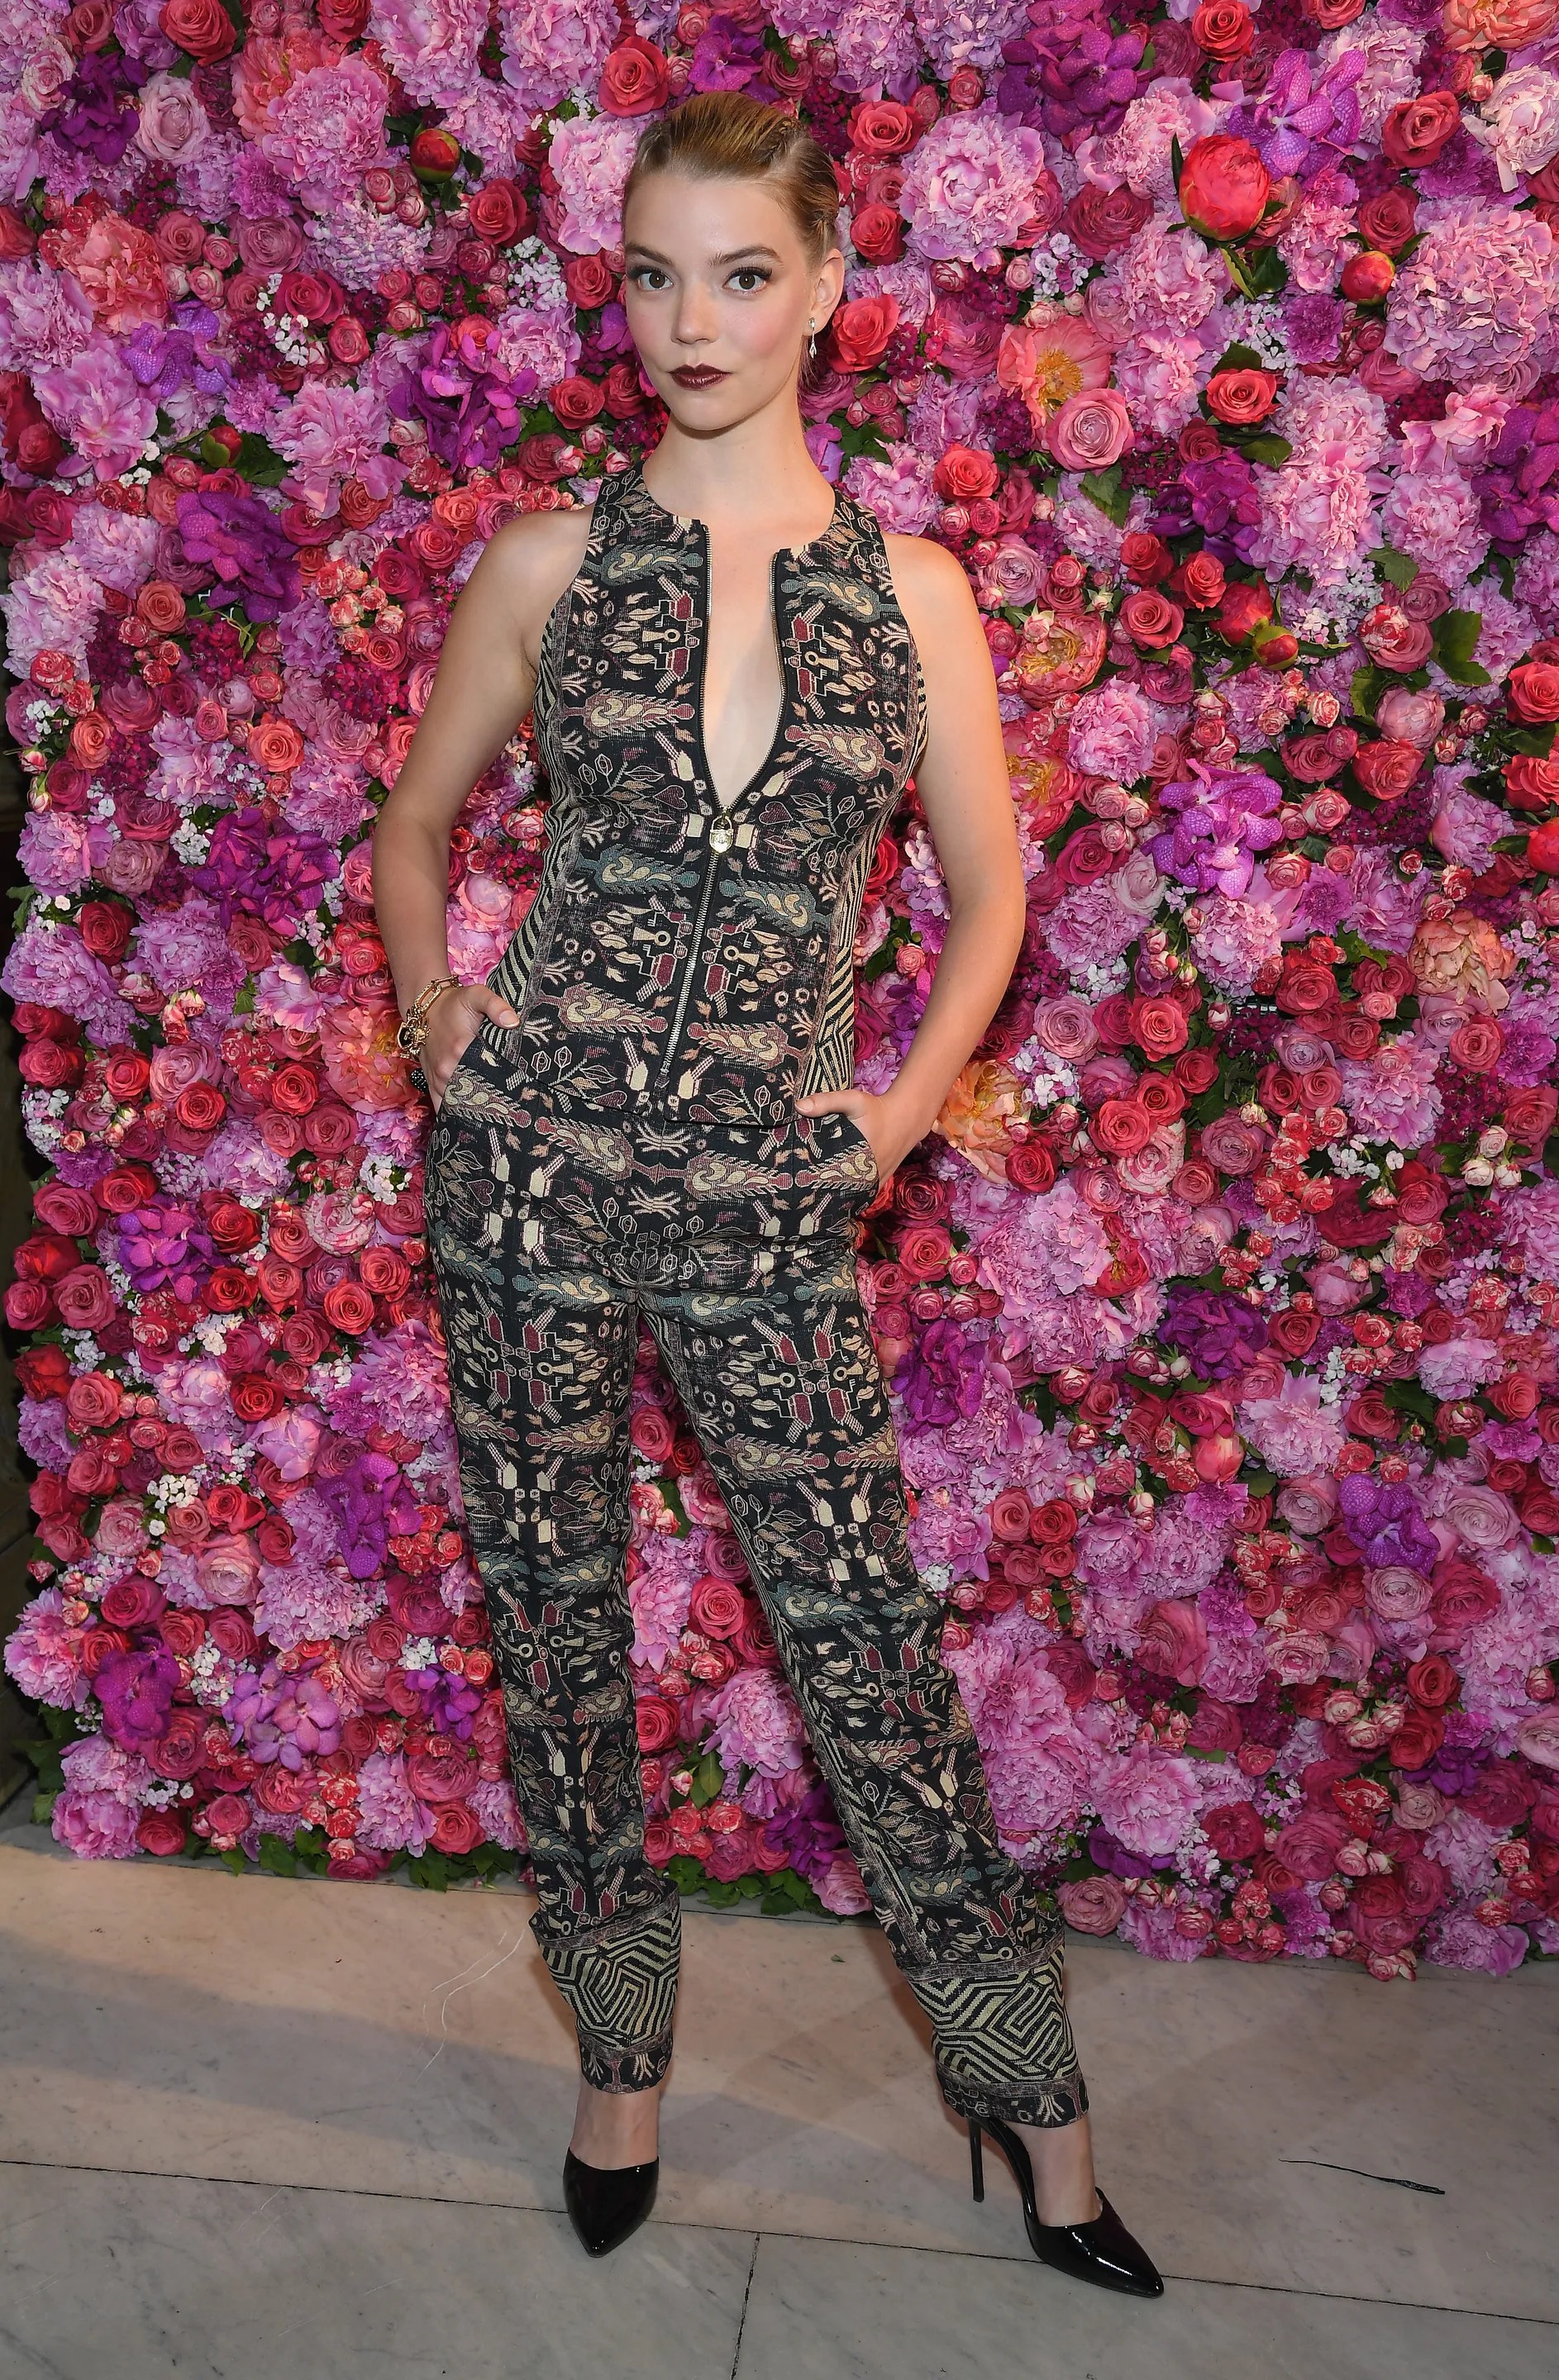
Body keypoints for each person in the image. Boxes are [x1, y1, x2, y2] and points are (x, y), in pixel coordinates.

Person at [371, 89, 1162, 2297]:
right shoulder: (548, 563)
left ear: (824, 290)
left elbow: (994, 900)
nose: (692, 321)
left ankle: (1036, 2110)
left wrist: (890, 1124)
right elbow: (414, 824)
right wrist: (443, 1022)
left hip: (763, 1187)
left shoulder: (913, 595)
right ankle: (621, 2069)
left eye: (740, 275)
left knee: (863, 1645)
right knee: (553, 1622)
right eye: (653, 275)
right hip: (527, 1174)